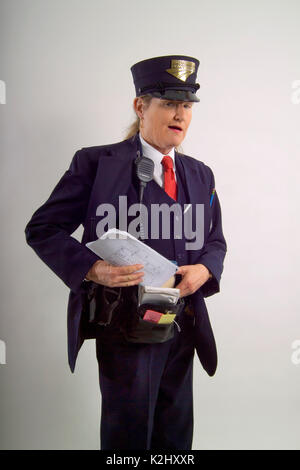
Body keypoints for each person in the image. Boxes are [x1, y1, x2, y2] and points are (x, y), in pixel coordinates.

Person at [25, 55, 227, 450]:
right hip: (125, 327)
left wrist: (205, 268)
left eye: (186, 105)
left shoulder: (201, 174)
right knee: (129, 439)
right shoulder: (95, 164)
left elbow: (215, 240)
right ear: (140, 106)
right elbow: (43, 229)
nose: (180, 114)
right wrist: (91, 267)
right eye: (168, 102)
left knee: (176, 436)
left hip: (183, 322)